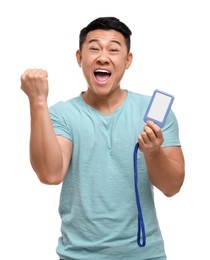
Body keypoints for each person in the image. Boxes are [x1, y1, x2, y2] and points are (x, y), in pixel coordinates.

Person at [20, 17, 185, 260]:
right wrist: (37, 101)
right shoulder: (61, 114)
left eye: (114, 49)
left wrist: (153, 152)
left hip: (144, 254)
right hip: (77, 255)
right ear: (79, 58)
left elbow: (172, 187)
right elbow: (50, 174)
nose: (103, 57)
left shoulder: (156, 109)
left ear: (128, 60)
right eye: (94, 48)